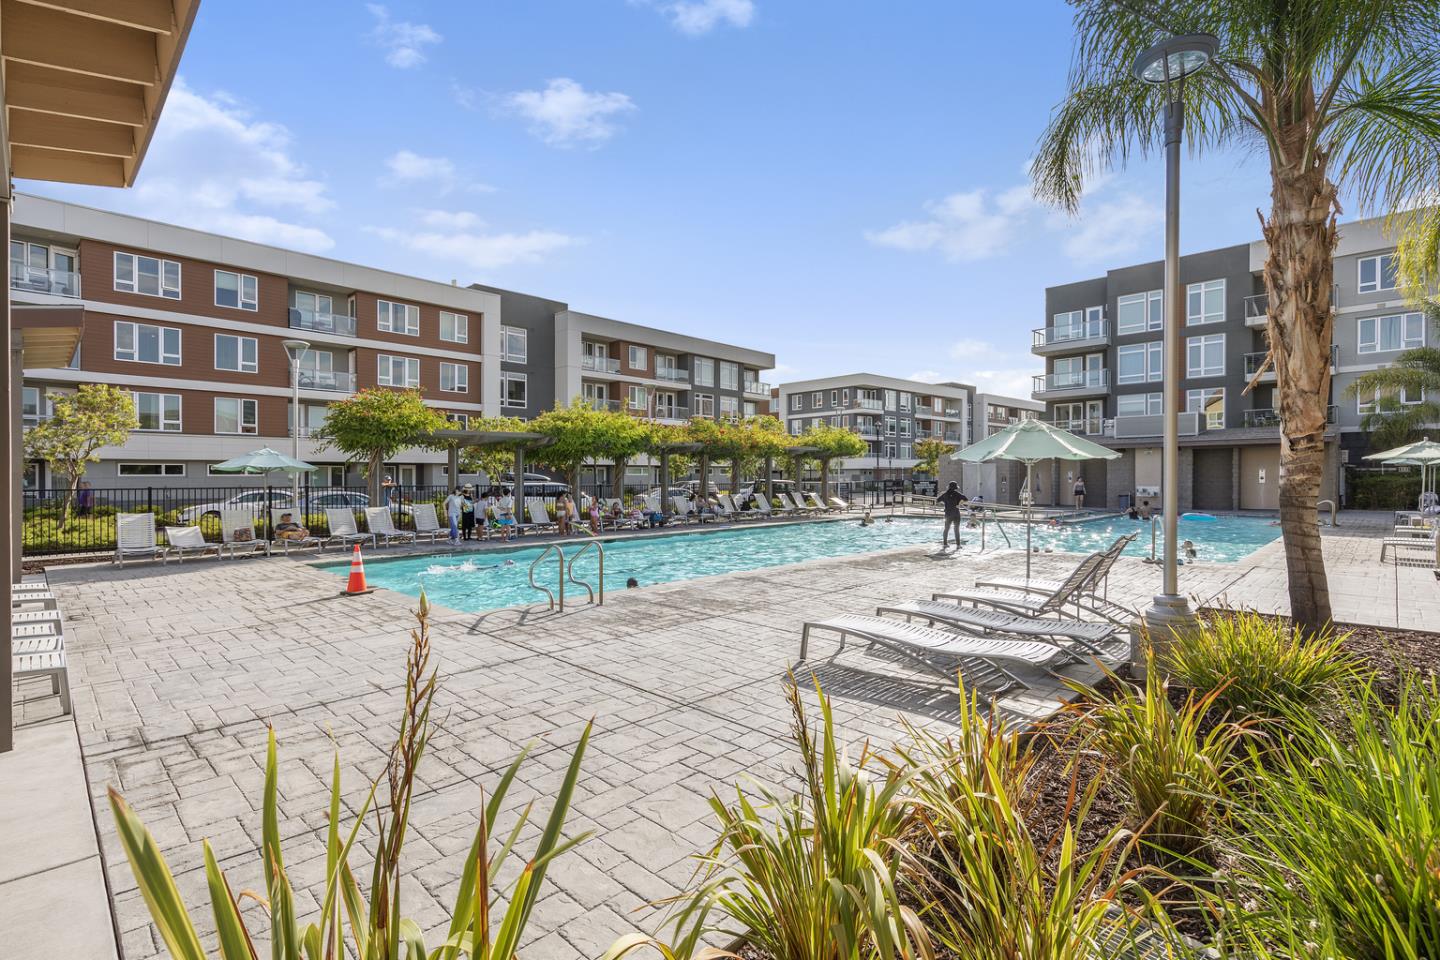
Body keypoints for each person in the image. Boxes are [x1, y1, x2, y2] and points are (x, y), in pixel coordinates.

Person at [937, 480, 965, 549]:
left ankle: (945, 544)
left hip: (948, 514)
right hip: (956, 514)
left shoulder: (945, 494)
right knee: (956, 529)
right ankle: (958, 545)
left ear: (949, 487)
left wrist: (945, 503)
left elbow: (937, 500)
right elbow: (966, 499)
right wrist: (959, 504)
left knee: (946, 529)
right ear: (955, 487)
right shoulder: (957, 494)